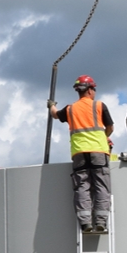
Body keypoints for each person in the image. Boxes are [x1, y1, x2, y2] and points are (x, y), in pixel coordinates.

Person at [48, 75, 114, 233]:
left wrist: (51, 105)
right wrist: (104, 138)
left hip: (79, 154)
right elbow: (110, 128)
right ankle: (101, 221)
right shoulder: (99, 105)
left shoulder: (70, 109)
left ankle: (85, 223)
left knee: (82, 187)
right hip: (99, 151)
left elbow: (55, 114)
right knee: (101, 186)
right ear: (90, 90)